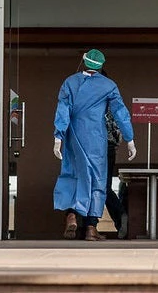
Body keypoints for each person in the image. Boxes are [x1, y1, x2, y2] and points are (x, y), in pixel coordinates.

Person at [52, 49, 136, 241]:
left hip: (73, 135)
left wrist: (58, 136)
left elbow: (63, 109)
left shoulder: (69, 82)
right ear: (101, 65)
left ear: (84, 61)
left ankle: (71, 215)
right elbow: (120, 113)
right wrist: (129, 139)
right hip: (96, 138)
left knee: (72, 175)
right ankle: (91, 228)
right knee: (97, 182)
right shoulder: (109, 85)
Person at [102, 71, 129, 239]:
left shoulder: (90, 103)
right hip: (110, 147)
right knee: (104, 187)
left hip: (93, 147)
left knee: (90, 186)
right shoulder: (114, 102)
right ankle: (120, 217)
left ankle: (89, 227)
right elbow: (119, 127)